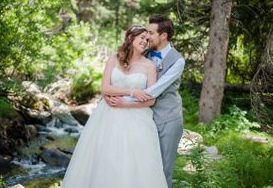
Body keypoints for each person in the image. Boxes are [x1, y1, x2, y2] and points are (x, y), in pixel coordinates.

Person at [61, 25, 168, 188]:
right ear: (131, 38)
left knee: (133, 162)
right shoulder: (114, 58)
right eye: (142, 38)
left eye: (147, 39)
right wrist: (133, 91)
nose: (145, 42)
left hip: (137, 117)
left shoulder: (149, 66)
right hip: (108, 114)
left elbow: (151, 100)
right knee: (105, 159)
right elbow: (105, 88)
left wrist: (127, 103)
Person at [106, 15, 185, 188]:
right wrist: (108, 92)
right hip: (143, 118)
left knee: (163, 169)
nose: (147, 36)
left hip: (167, 118)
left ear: (163, 35)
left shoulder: (178, 60)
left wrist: (122, 100)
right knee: (142, 167)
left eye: (150, 32)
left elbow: (154, 90)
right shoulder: (145, 51)